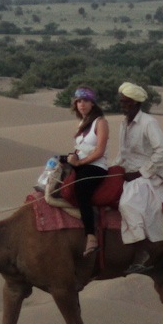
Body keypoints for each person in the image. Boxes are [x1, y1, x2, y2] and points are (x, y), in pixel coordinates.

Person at [111, 81, 163, 274]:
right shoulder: (124, 124)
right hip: (127, 172)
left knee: (127, 204)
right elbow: (123, 154)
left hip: (146, 176)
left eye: (126, 102)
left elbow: (162, 152)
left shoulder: (148, 123)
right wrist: (112, 169)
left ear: (136, 103)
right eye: (121, 101)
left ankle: (142, 250)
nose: (122, 105)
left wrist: (141, 172)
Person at [64, 86, 109, 258]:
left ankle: (91, 236)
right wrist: (71, 158)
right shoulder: (81, 124)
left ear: (92, 103)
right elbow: (81, 149)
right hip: (81, 163)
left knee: (80, 188)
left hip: (96, 166)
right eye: (78, 101)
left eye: (85, 101)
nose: (81, 104)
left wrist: (80, 162)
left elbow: (100, 151)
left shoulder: (100, 122)